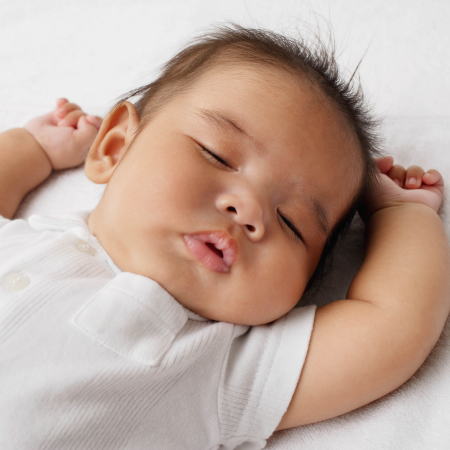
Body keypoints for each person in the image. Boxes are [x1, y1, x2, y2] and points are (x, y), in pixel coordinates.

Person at [0, 25, 448, 450]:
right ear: (116, 147)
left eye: (292, 223)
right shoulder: (25, 241)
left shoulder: (216, 364)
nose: (249, 209)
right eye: (216, 155)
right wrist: (29, 149)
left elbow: (391, 326)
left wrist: (400, 213)